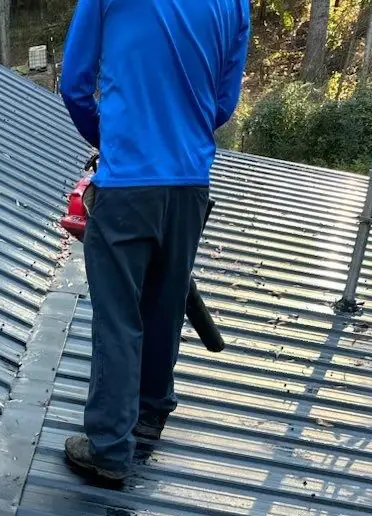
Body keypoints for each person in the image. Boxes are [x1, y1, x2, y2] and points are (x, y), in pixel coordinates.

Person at [59, 0, 249, 484]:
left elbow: (75, 84)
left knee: (120, 318)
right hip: (190, 183)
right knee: (166, 301)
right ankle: (150, 414)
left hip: (126, 184)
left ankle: (108, 448)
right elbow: (223, 104)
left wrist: (114, 140)